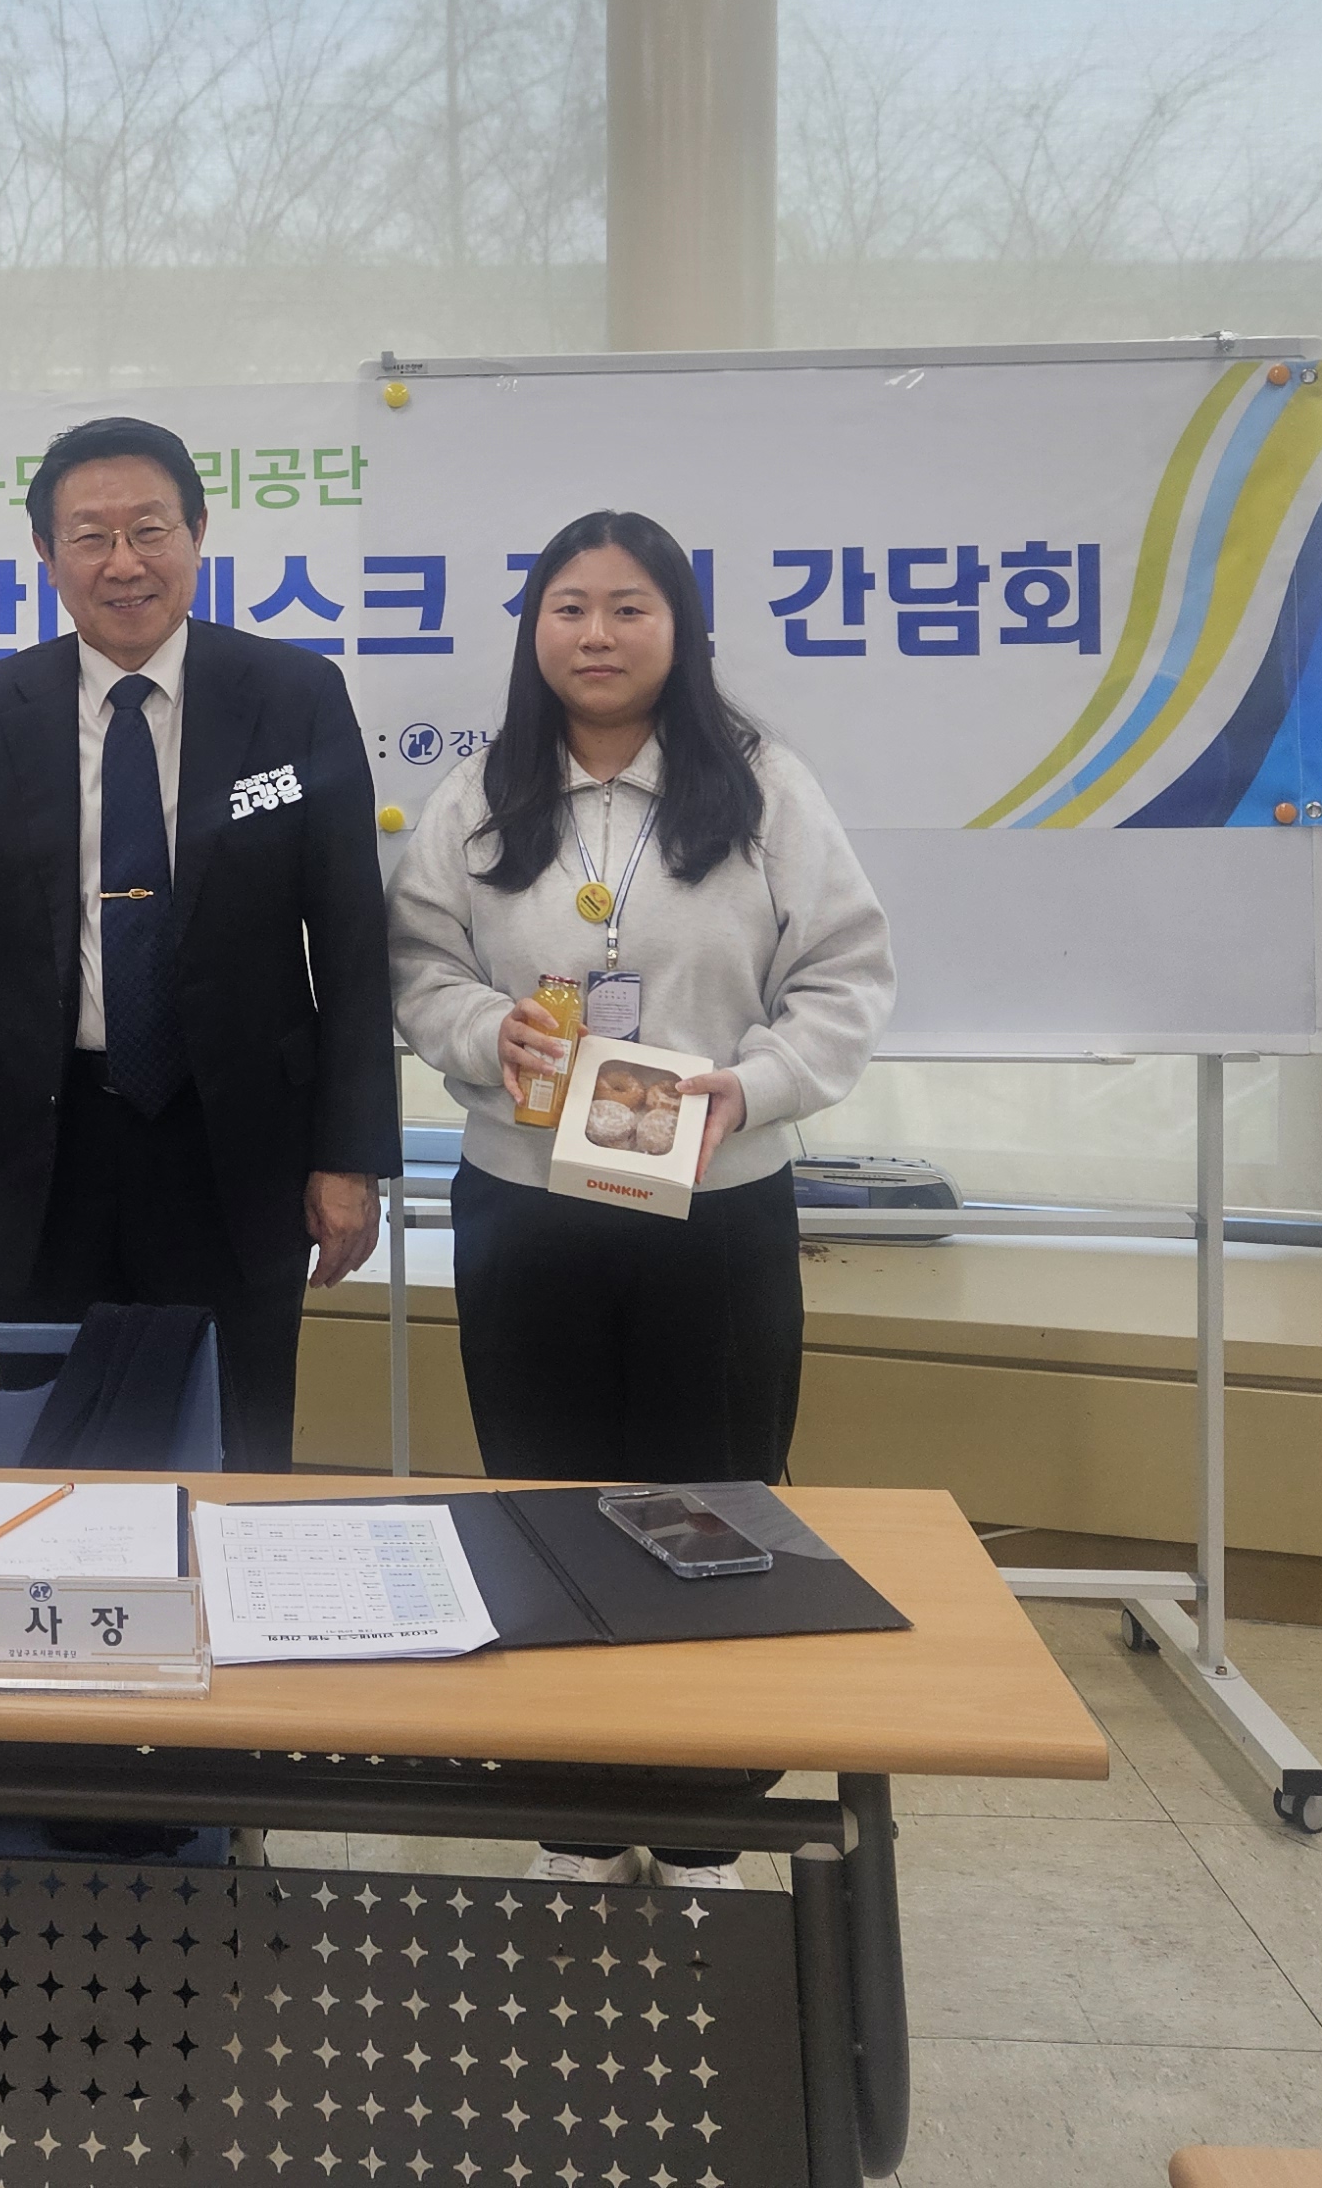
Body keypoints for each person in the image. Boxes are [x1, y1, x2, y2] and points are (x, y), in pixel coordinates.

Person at [387, 508, 894, 1889]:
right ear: (532, 632)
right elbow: (418, 968)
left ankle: (706, 1819)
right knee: (544, 1498)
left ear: (680, 629)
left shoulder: (762, 787)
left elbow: (844, 975)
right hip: (525, 1204)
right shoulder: (482, 793)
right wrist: (486, 1032)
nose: (597, 635)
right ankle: (574, 1816)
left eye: (629, 608)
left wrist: (756, 1085)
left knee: (715, 1502)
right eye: (569, 608)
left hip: (714, 1208)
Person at [0, 415, 399, 1472]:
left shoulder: (294, 699)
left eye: (149, 530)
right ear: (45, 555)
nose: (123, 563)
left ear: (198, 534)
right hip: (45, 1148)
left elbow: (352, 943)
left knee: (237, 1442)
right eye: (90, 536)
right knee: (52, 1448)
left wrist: (350, 1155)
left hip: (241, 1148)